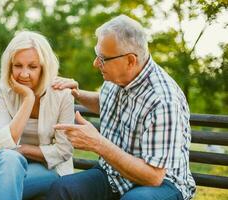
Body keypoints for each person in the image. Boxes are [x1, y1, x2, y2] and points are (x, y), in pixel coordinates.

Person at [49, 15, 196, 200]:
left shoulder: (163, 100)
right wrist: (77, 94)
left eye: (103, 59)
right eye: (97, 55)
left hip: (163, 183)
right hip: (114, 174)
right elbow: (106, 103)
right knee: (62, 189)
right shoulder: (115, 78)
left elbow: (153, 177)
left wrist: (97, 143)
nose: (96, 64)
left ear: (130, 61)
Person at [0, 31, 75, 200]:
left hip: (47, 169)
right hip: (4, 164)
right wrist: (28, 99)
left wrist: (22, 150)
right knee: (9, 160)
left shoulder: (62, 94)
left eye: (32, 67)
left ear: (44, 67)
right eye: (18, 65)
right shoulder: (3, 90)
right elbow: (3, 142)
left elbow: (63, 150)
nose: (24, 74)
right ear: (9, 65)